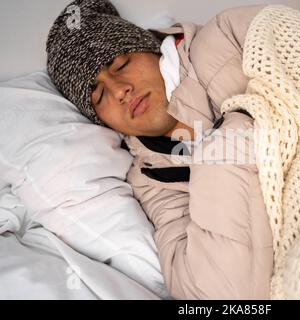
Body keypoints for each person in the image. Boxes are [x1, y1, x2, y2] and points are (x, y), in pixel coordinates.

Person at [46, 0, 273, 299]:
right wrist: (226, 147)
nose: (119, 90)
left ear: (150, 47)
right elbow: (212, 296)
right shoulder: (151, 180)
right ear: (99, 119)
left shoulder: (226, 37)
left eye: (120, 64)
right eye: (99, 95)